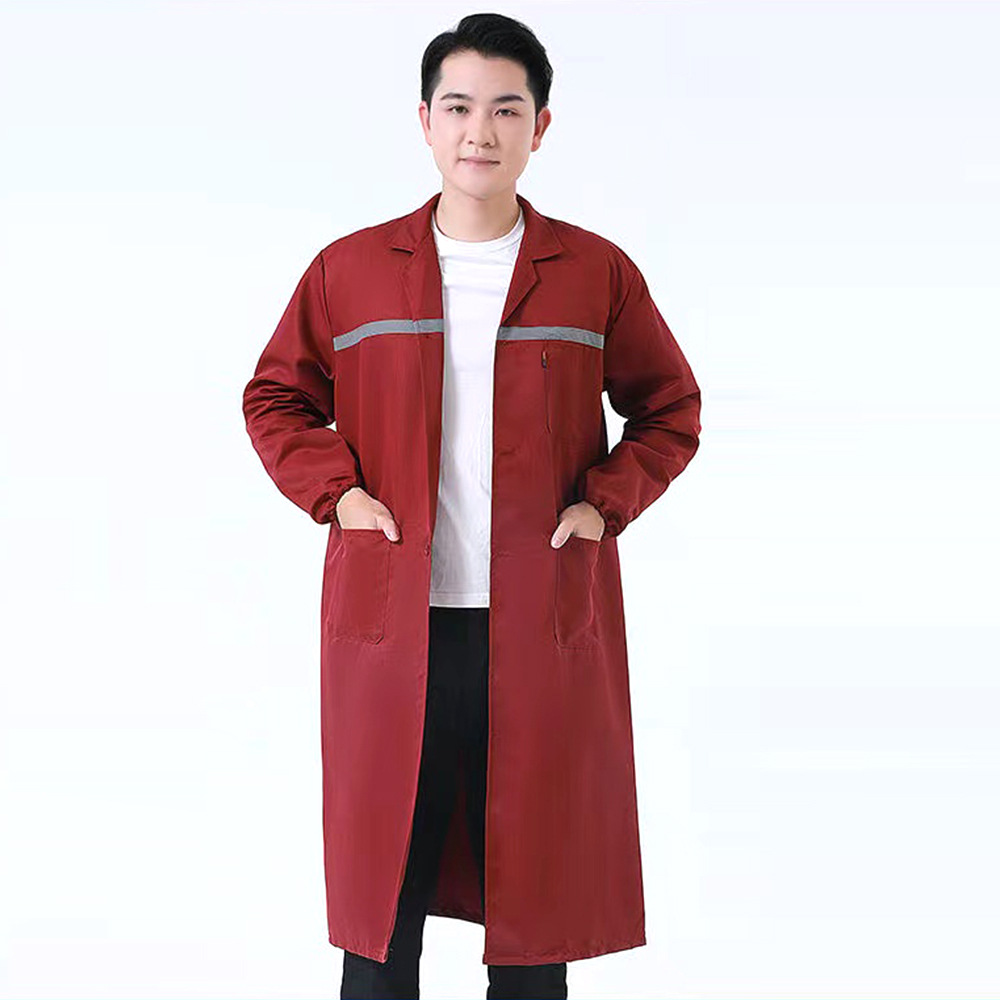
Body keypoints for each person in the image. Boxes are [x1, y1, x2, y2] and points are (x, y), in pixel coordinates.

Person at [243, 12, 701, 1000]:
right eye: (457, 107)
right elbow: (275, 397)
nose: (479, 132)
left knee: (534, 931)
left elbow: (670, 408)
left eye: (506, 109)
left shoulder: (593, 273)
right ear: (424, 121)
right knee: (380, 929)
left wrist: (604, 504)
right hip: (393, 628)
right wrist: (338, 495)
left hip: (538, 629)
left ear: (541, 127)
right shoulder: (351, 270)